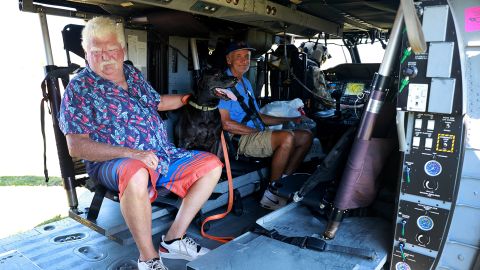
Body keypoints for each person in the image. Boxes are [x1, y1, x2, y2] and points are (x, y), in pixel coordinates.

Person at [59, 17, 222, 270]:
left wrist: (191, 98)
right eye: (97, 51)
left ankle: (173, 240)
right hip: (114, 162)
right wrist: (132, 153)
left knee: (211, 165)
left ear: (122, 50)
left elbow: (156, 102)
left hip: (159, 154)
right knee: (135, 171)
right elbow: (76, 146)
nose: (106, 57)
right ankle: (149, 258)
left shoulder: (131, 73)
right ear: (86, 53)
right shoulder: (79, 88)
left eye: (111, 49)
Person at [218, 41, 313, 210]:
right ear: (228, 60)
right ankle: (271, 194)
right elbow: (226, 124)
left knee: (305, 136)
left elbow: (258, 116)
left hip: (254, 131)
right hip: (238, 139)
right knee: (286, 138)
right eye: (238, 56)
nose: (244, 60)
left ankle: (283, 181)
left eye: (247, 57)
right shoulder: (222, 85)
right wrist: (255, 132)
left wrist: (287, 119)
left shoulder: (245, 83)